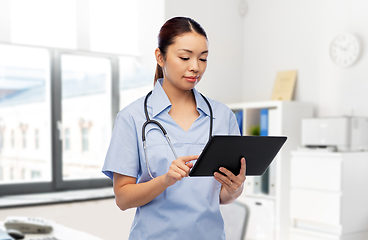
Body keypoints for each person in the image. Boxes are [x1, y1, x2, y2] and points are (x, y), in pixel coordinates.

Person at [102, 16, 246, 240]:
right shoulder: (132, 117)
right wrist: (165, 180)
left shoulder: (222, 116)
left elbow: (222, 197)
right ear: (160, 57)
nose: (195, 67)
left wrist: (235, 187)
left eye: (203, 59)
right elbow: (123, 198)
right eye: (185, 57)